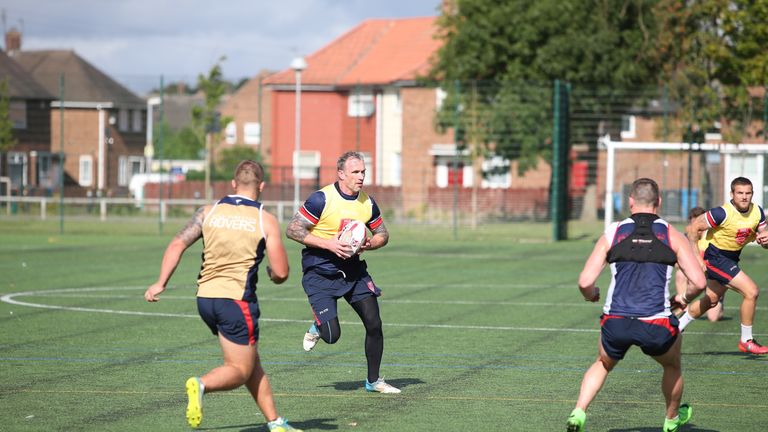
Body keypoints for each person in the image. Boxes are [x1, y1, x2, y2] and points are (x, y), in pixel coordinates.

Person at [144, 160, 302, 431]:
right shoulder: (265, 219)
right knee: (239, 370)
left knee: (251, 362)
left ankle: (275, 422)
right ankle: (201, 384)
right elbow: (282, 273)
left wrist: (161, 282)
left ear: (232, 184)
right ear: (261, 186)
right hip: (236, 301)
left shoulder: (209, 211)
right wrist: (272, 275)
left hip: (205, 299)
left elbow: (177, 243)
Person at [566, 178, 706, 432]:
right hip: (656, 323)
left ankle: (579, 411)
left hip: (616, 321)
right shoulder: (671, 234)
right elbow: (698, 281)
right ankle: (672, 419)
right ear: (659, 202)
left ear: (630, 201)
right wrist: (683, 298)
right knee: (672, 364)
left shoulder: (614, 231)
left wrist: (591, 294)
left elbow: (585, 281)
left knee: (603, 363)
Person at [285, 151, 400, 394]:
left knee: (374, 323)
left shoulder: (367, 203)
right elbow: (293, 230)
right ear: (341, 174)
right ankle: (318, 326)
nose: (361, 177)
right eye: (355, 172)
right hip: (320, 274)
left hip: (354, 272)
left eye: (363, 172)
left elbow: (383, 234)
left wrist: (371, 243)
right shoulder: (321, 199)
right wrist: (329, 244)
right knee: (332, 335)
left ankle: (373, 381)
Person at [677, 176, 768, 354]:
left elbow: (763, 238)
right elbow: (694, 228)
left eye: (748, 193)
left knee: (710, 301)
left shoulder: (757, 211)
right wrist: (697, 258)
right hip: (715, 257)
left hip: (731, 258)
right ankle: (746, 340)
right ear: (732, 194)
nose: (744, 197)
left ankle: (675, 328)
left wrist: (765, 240)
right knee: (752, 291)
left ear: (752, 194)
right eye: (740, 193)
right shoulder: (721, 213)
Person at [673, 206, 724, 321]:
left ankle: (720, 299)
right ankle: (684, 307)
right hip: (695, 273)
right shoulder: (685, 238)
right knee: (680, 274)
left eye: (699, 227)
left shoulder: (713, 237)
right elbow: (676, 262)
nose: (696, 229)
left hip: (711, 274)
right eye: (693, 225)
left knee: (713, 317)